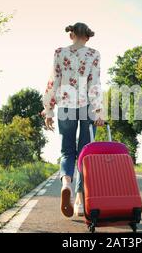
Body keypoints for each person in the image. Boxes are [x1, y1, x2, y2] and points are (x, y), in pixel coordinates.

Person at [42, 22, 104, 218]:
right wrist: (99, 110)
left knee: (67, 151)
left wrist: (49, 110)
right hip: (87, 107)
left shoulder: (59, 52)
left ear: (71, 36)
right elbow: (95, 83)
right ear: (87, 37)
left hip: (65, 105)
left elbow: (54, 81)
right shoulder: (94, 54)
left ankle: (66, 182)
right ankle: (79, 201)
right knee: (85, 155)